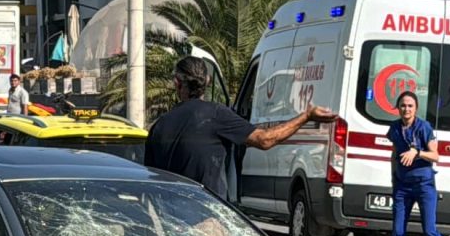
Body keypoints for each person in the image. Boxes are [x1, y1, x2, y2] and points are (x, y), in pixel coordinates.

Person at [141, 56, 332, 203]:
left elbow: (151, 183)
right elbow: (265, 140)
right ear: (207, 81)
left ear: (177, 83)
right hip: (207, 218)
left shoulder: (159, 126)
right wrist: (306, 116)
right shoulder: (216, 115)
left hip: (170, 220)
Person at [385, 90, 442, 236]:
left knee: (429, 230)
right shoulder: (394, 128)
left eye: (410, 105)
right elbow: (394, 155)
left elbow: (436, 156)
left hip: (423, 185)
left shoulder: (424, 127)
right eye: (402, 105)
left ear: (416, 108)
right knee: (398, 231)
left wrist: (417, 152)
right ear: (398, 108)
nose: (406, 109)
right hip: (402, 186)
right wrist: (394, 179)